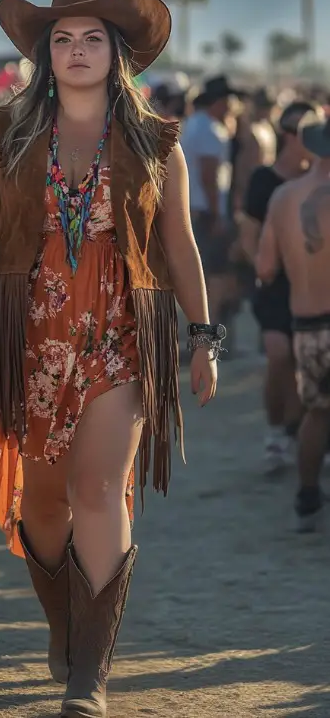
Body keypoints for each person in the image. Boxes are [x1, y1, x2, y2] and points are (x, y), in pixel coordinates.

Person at [0, 0, 223, 718]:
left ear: (119, 53)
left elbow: (182, 247)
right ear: (44, 56)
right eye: (61, 39)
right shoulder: (9, 133)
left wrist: (203, 337)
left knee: (99, 490)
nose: (76, 50)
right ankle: (67, 625)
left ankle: (89, 674)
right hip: (29, 336)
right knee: (42, 503)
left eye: (92, 37)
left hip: (123, 337)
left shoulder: (158, 143)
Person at [256, 112, 330, 531]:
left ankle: (306, 498)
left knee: (316, 413)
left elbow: (265, 268)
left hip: (307, 325)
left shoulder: (284, 198)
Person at [240, 101, 315, 469]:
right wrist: (262, 267)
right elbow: (249, 233)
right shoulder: (265, 180)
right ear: (288, 136)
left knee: (305, 365)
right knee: (279, 354)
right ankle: (274, 431)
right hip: (273, 284)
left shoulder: (319, 179)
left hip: (311, 286)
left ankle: (295, 431)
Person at [180, 75, 239, 325]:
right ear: (219, 101)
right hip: (205, 212)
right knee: (212, 274)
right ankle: (208, 329)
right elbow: (209, 176)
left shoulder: (194, 123)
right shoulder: (210, 130)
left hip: (194, 209)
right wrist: (218, 214)